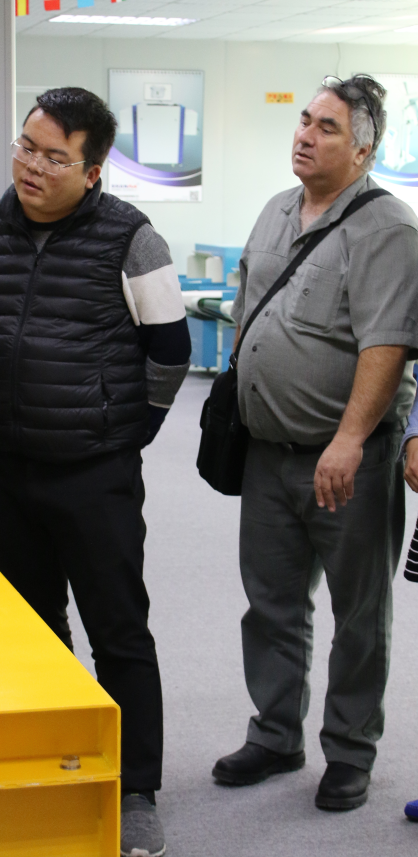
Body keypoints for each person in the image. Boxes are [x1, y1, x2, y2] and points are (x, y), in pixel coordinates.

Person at [0, 87, 191, 857]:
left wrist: (123, 433)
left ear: (92, 171)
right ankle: (56, 758)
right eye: (26, 147)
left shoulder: (132, 238)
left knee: (117, 629)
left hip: (94, 472)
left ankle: (135, 789)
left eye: (54, 157)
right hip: (5, 462)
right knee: (32, 627)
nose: (31, 166)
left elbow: (171, 352)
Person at [212, 75, 418, 811]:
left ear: (363, 149)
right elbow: (246, 308)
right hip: (268, 454)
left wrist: (350, 439)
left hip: (347, 460)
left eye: (327, 127)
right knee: (270, 604)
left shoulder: (387, 228)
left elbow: (385, 345)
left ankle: (350, 751)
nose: (304, 134)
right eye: (304, 120)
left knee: (357, 614)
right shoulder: (275, 209)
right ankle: (275, 735)